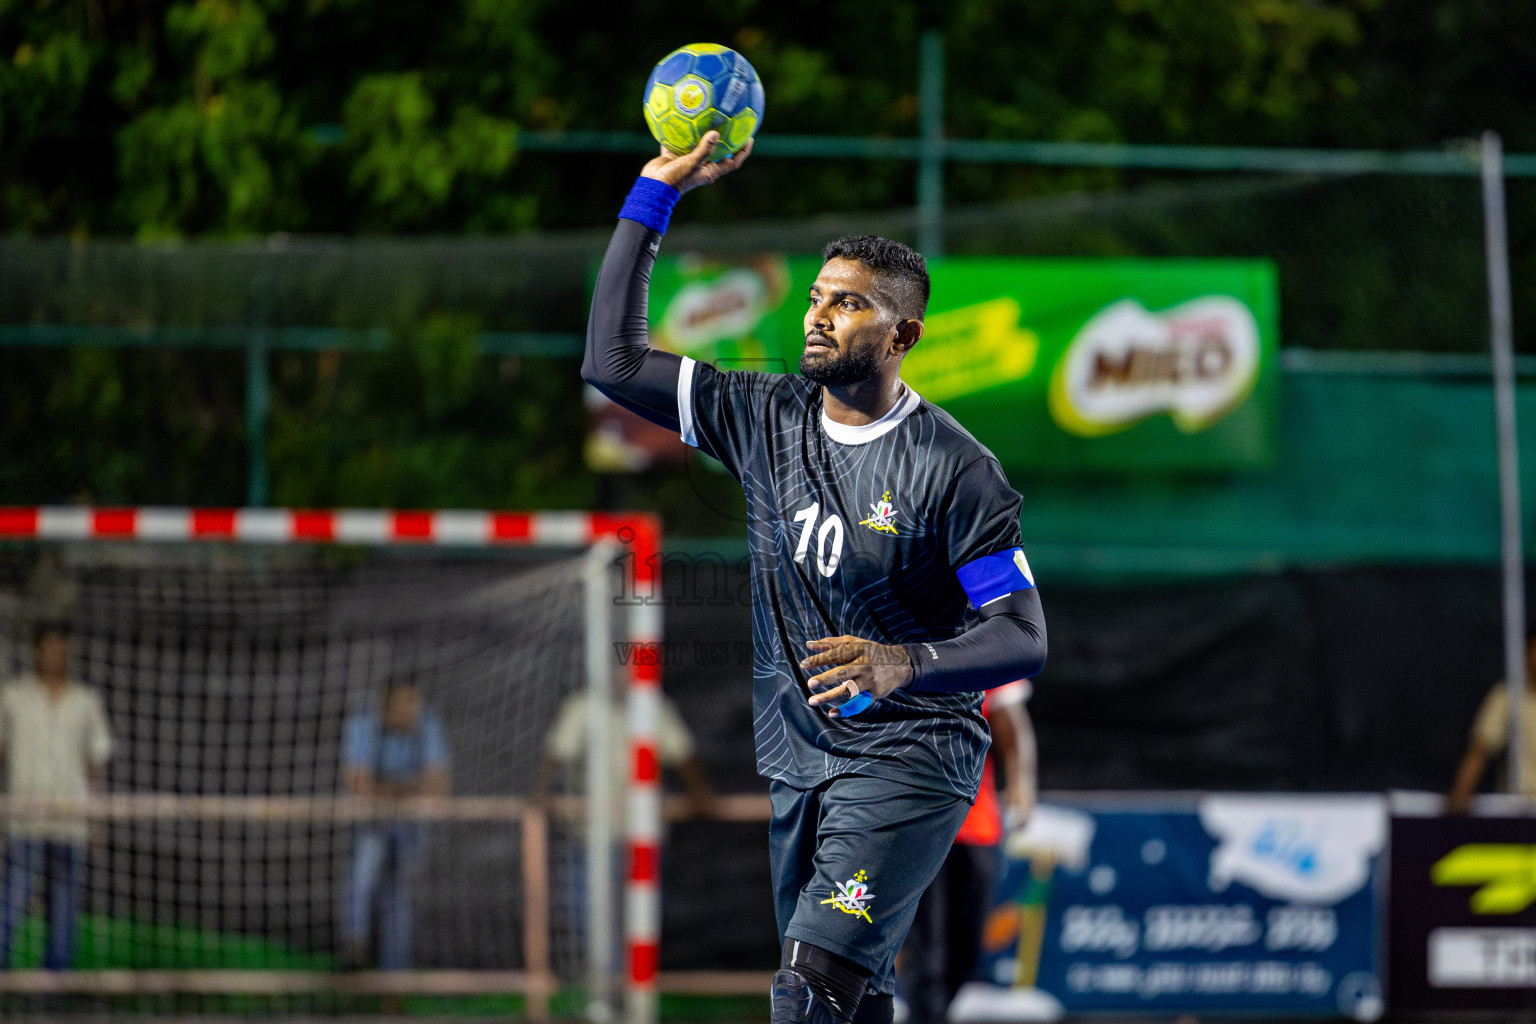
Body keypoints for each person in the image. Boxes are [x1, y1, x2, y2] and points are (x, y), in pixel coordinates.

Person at [582, 132, 1047, 1024]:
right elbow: (611, 366)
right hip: (800, 761)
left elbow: (1023, 638)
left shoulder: (957, 470)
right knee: (856, 1001)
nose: (819, 315)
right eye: (816, 297)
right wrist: (652, 196)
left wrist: (899, 662)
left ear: (903, 334)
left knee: (808, 988)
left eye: (850, 304)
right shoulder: (763, 414)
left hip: (914, 757)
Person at [898, 681, 1035, 1024]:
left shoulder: (986, 649)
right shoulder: (899, 646)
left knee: (968, 944)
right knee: (924, 949)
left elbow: (1012, 724)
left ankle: (936, 1012)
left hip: (977, 827)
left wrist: (1022, 783)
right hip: (915, 827)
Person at [0, 621, 114, 970]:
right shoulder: (12, 696)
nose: (54, 654)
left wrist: (98, 819)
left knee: (65, 905)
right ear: (36, 650)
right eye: (47, 646)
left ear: (69, 651)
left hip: (70, 821)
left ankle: (54, 985)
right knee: (14, 898)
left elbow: (96, 762)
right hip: (25, 818)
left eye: (60, 647)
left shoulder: (85, 700)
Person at [341, 679, 450, 971]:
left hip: (409, 824)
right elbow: (356, 781)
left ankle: (395, 976)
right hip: (373, 821)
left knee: (402, 898)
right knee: (362, 877)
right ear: (386, 706)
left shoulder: (426, 723)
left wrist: (390, 792)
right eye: (406, 703)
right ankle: (354, 949)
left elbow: (439, 783)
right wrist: (406, 790)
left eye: (416, 702)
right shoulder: (364, 723)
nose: (413, 710)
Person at [1446, 633, 1536, 814]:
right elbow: (1481, 748)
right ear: (1526, 656)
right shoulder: (1508, 697)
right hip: (1522, 810)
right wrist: (1461, 791)